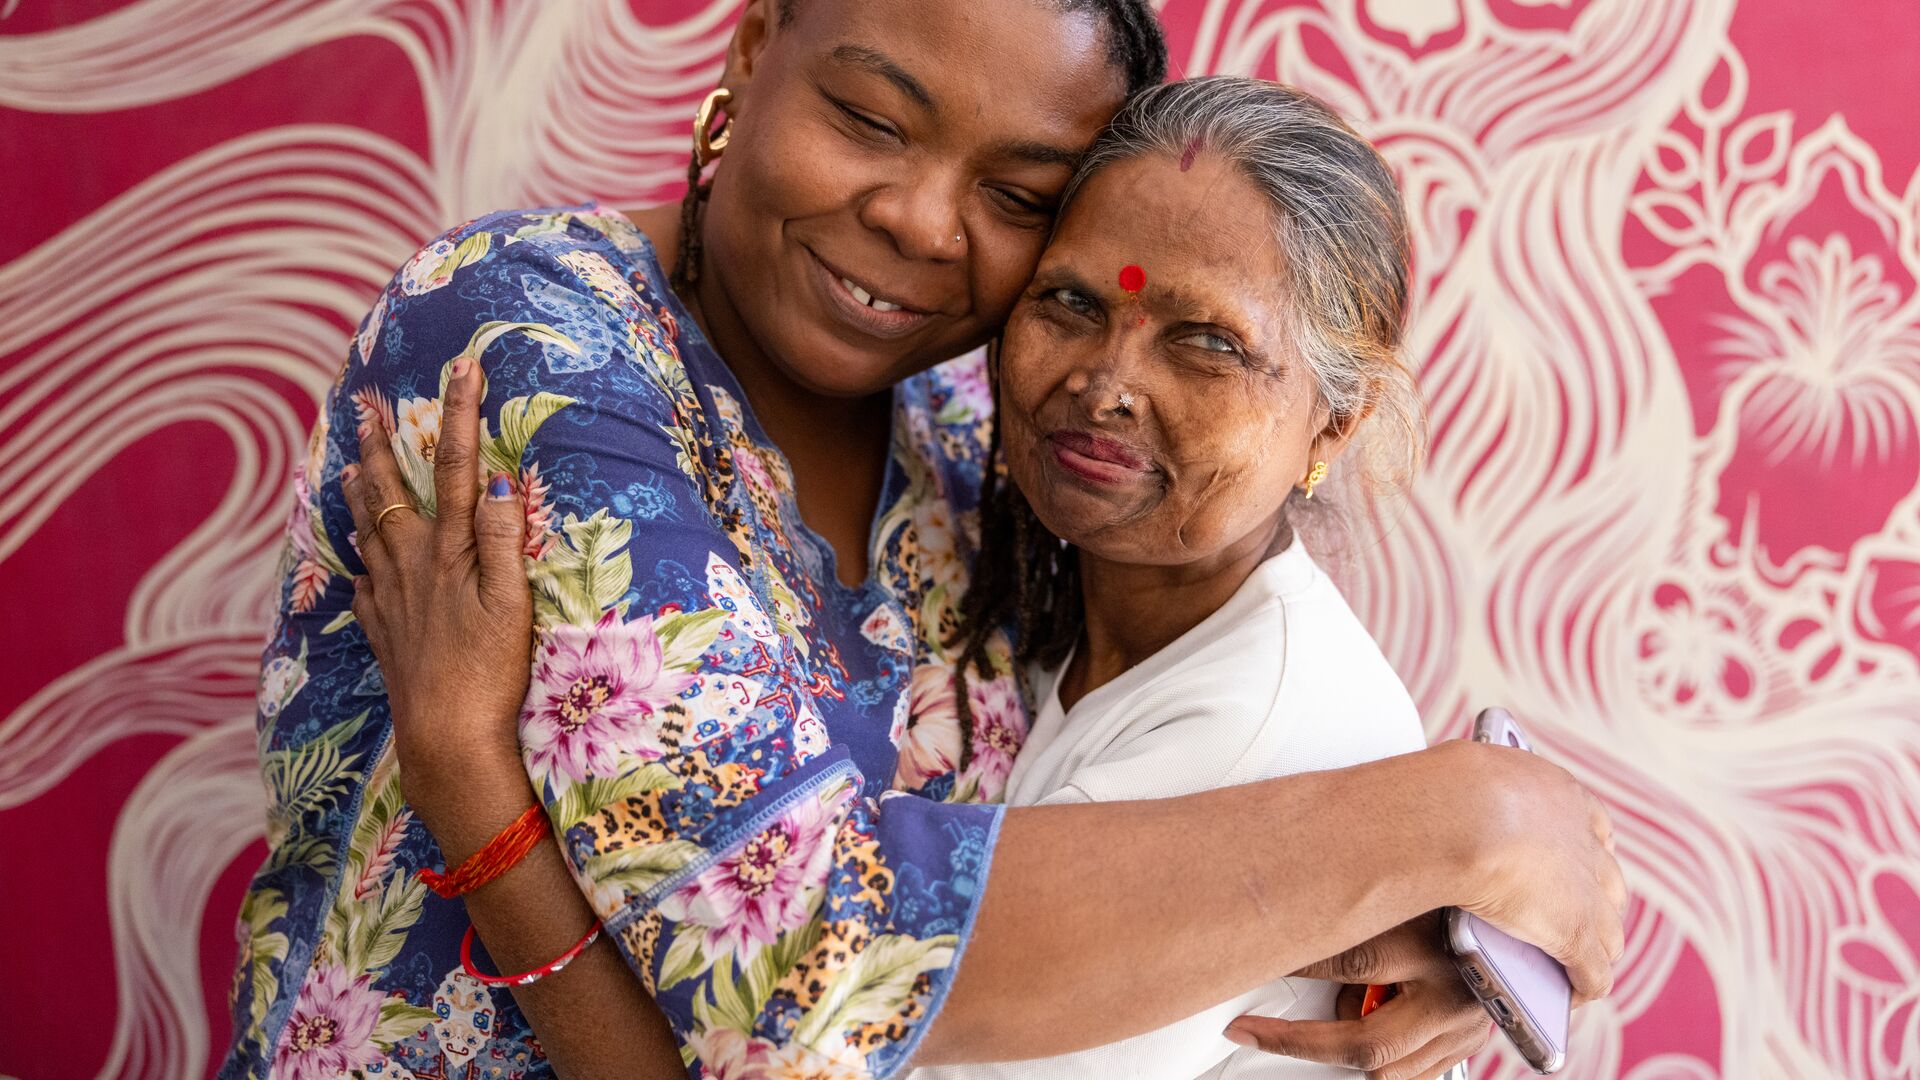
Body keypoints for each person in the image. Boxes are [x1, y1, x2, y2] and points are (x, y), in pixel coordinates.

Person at [232, 3, 1624, 1079]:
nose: (917, 219)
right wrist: (1465, 825)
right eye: (869, 119)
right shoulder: (533, 345)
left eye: (1016, 197)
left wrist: (1431, 933)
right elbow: (800, 969)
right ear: (755, 45)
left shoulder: (975, 452)